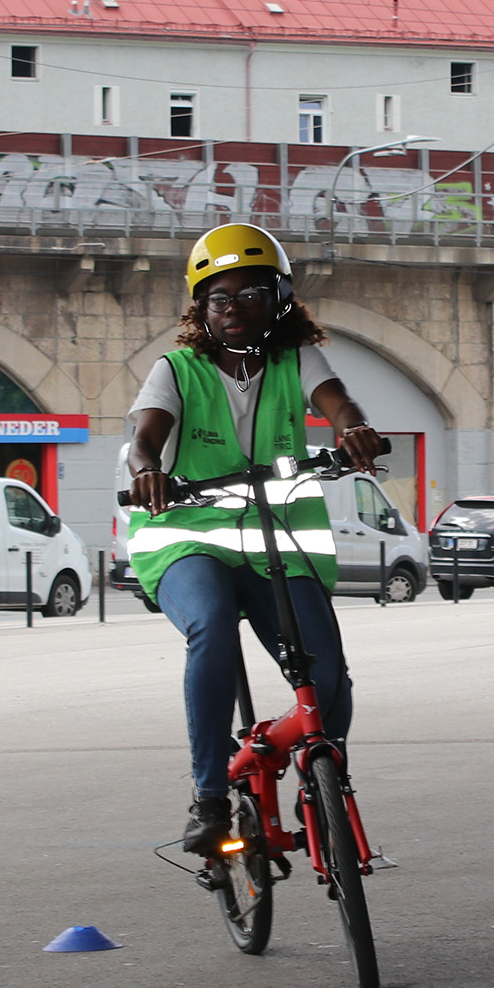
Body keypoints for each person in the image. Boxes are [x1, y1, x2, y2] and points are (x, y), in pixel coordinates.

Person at [126, 222, 384, 853]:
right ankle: (209, 795)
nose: (233, 308)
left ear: (279, 301)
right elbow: (143, 441)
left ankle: (319, 777)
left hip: (276, 542)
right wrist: (149, 472)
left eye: (250, 295)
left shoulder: (297, 361)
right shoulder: (176, 370)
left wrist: (355, 431)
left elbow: (338, 402)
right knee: (211, 626)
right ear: (200, 308)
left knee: (328, 683)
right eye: (218, 298)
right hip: (187, 539)